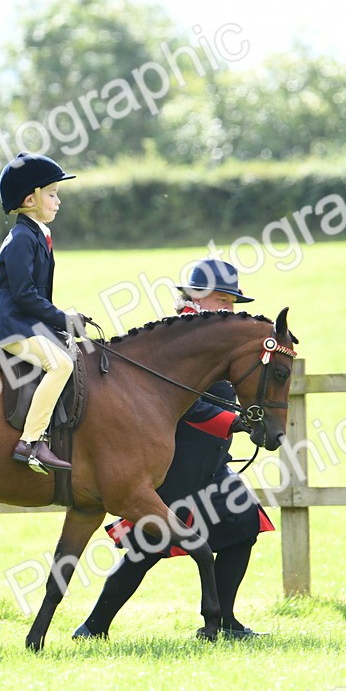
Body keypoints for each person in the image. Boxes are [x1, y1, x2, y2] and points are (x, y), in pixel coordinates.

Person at [74, 259, 275, 639]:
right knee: (148, 546)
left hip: (210, 461)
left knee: (243, 526)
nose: (232, 310)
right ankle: (93, 626)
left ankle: (226, 623)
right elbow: (189, 405)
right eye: (228, 301)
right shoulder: (180, 335)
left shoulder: (213, 335)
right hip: (177, 459)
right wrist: (232, 422)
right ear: (208, 298)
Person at [0, 151, 83, 473]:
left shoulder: (37, 234)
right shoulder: (22, 238)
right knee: (60, 365)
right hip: (11, 325)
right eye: (52, 195)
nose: (58, 201)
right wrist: (62, 319)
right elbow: (25, 295)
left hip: (26, 321)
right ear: (29, 200)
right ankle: (31, 443)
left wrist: (62, 319)